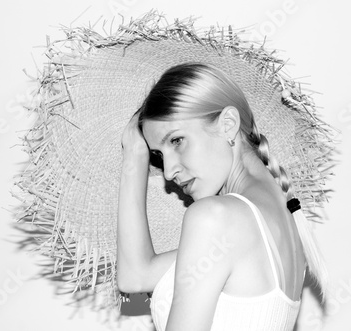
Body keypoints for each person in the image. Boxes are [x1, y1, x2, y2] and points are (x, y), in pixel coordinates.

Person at [117, 63, 327, 330]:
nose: (169, 172)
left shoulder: (215, 217)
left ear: (228, 124)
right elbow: (135, 277)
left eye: (177, 141)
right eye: (158, 155)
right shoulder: (279, 216)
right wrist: (134, 154)